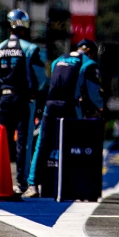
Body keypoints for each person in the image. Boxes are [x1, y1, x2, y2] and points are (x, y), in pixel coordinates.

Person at [28, 38, 102, 196]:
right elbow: (93, 92)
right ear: (91, 52)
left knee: (42, 145)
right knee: (76, 146)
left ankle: (32, 184)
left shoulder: (58, 60)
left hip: (50, 104)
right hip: (70, 106)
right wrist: (101, 106)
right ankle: (74, 183)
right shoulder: (88, 63)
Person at [0, 9, 46, 196]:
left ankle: (1, 181)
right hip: (23, 99)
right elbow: (41, 78)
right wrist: (34, 92)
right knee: (24, 142)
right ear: (25, 27)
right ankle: (21, 182)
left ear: (9, 26)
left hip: (4, 99)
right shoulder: (31, 49)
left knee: (3, 142)